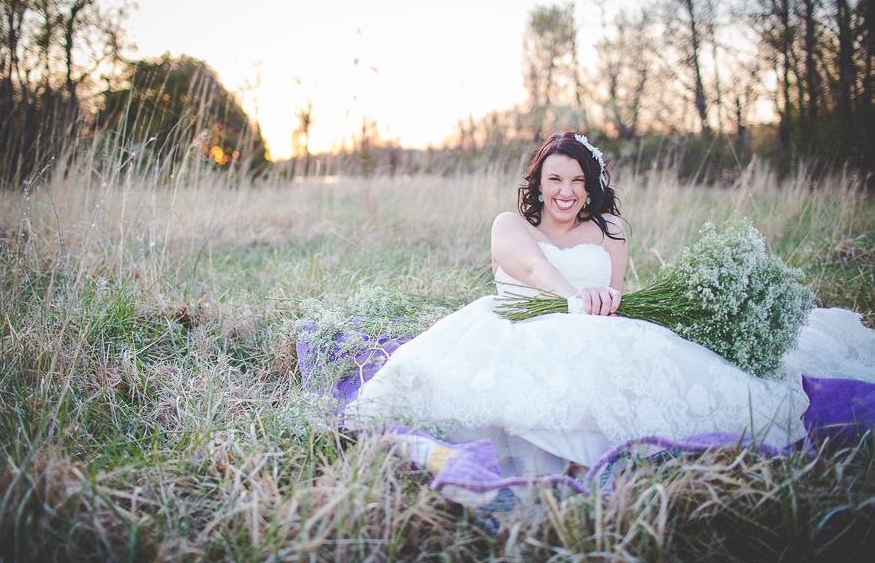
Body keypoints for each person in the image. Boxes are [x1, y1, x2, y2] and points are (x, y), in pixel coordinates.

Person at [345, 132, 875, 476]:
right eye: (555, 178)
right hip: (513, 328)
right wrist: (576, 297)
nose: (566, 191)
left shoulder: (609, 229)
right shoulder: (510, 225)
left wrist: (601, 304)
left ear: (592, 184)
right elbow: (530, 268)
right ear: (539, 182)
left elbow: (617, 291)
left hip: (598, 328)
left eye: (577, 180)